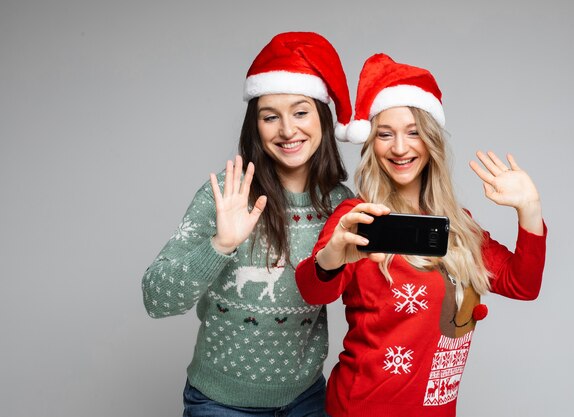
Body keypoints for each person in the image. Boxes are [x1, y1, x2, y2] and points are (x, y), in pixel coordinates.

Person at [295, 53, 547, 417]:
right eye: (385, 134)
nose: (400, 147)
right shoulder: (357, 218)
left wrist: (530, 210)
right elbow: (312, 290)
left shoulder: (458, 225)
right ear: (372, 144)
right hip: (363, 407)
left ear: (431, 141)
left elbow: (522, 285)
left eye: (413, 132)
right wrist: (332, 255)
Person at [142, 32, 354, 417]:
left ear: (323, 117)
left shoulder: (340, 203)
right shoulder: (226, 194)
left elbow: (370, 302)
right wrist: (219, 246)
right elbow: (156, 299)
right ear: (255, 126)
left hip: (308, 399)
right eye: (270, 116)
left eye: (301, 111)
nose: (287, 130)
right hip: (221, 403)